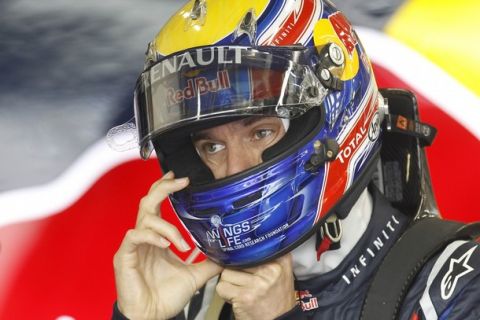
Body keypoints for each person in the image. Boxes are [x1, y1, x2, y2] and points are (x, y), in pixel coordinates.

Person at [110, 0, 480, 319]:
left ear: (337, 115)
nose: (236, 168)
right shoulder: (200, 300)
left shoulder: (458, 286)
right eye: (212, 148)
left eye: (260, 133)